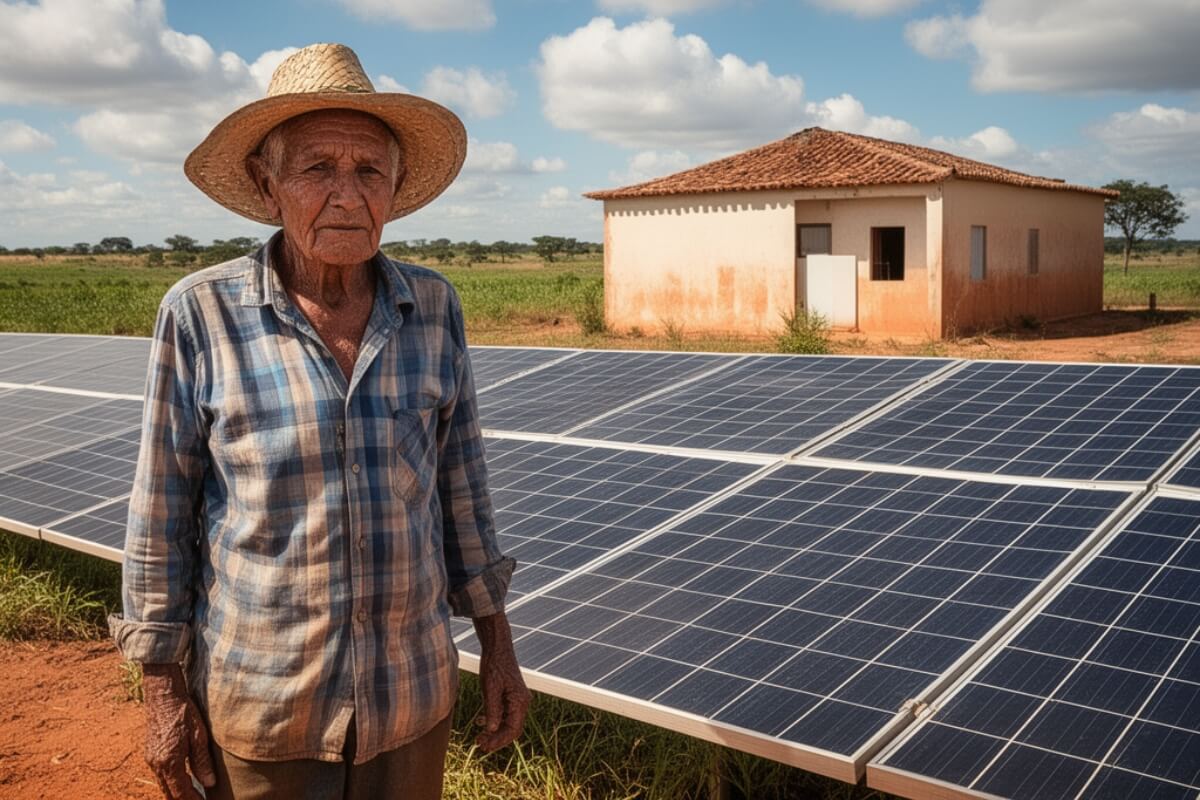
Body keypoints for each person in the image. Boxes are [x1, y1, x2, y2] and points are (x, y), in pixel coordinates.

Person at [109, 42, 529, 800]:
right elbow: (159, 519)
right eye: (317, 169)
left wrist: (499, 648)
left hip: (411, 698)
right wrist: (164, 693)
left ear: (397, 190)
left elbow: (463, 495)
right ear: (269, 186)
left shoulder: (432, 308)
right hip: (266, 710)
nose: (347, 195)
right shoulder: (200, 314)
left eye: (369, 171)